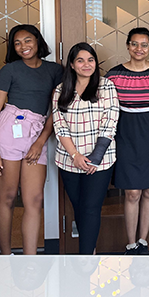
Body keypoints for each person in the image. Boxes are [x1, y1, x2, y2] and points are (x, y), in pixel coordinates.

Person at [0, 24, 63, 255]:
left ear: (38, 41)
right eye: (17, 43)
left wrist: (40, 142)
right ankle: (6, 255)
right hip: (9, 130)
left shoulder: (55, 71)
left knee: (34, 199)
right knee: (7, 197)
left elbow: (56, 110)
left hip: (36, 133)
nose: (23, 46)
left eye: (27, 40)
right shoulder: (9, 70)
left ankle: (31, 257)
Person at [105, 28, 149, 255]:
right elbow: (109, 110)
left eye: (144, 45)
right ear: (127, 45)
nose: (139, 49)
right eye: (134, 44)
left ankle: (144, 240)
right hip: (125, 136)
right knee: (132, 192)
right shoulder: (113, 75)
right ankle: (130, 243)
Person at [52, 43, 119, 255]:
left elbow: (111, 120)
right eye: (80, 60)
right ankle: (91, 248)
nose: (86, 64)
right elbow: (59, 125)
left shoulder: (106, 86)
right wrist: (75, 155)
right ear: (72, 64)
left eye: (90, 60)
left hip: (100, 161)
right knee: (79, 207)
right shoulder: (61, 90)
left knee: (91, 207)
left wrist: (96, 157)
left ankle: (86, 258)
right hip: (68, 160)